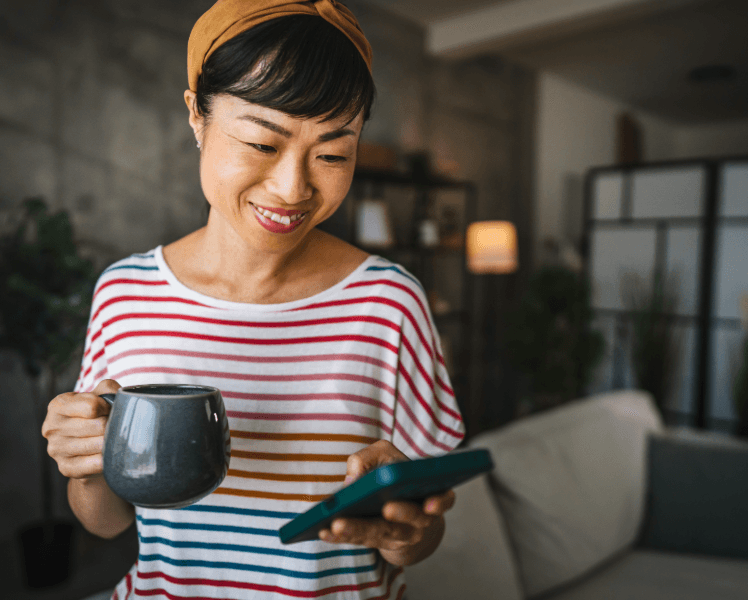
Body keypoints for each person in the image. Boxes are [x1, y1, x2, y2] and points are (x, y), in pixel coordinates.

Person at [41, 1, 465, 598]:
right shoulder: (126, 290)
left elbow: (420, 532)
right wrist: (86, 463)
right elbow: (107, 522)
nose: (292, 188)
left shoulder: (389, 303)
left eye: (332, 154)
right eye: (262, 144)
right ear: (197, 115)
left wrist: (405, 531)